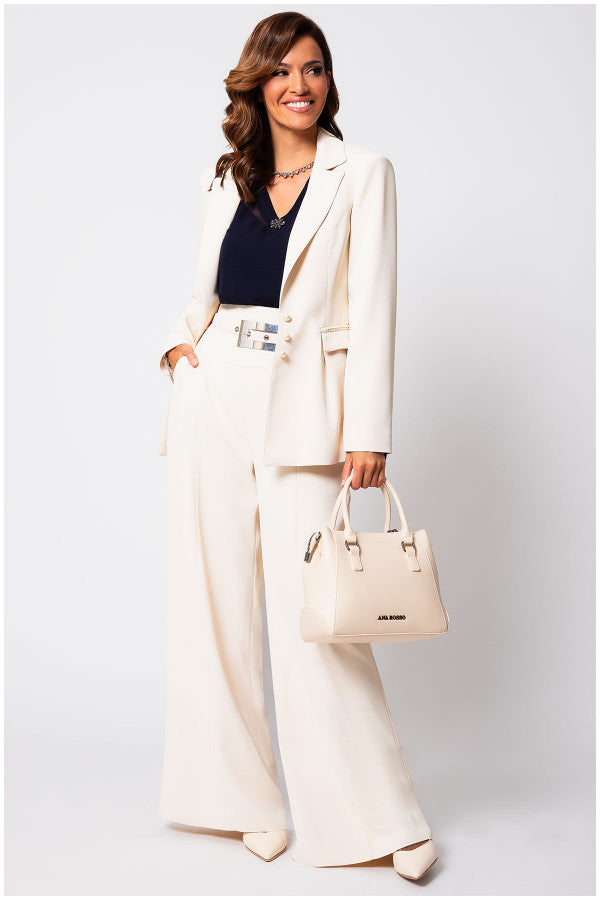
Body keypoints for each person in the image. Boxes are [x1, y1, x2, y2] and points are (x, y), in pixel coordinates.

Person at [156, 11, 438, 882]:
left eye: (313, 69)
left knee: (317, 616)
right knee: (214, 606)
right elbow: (204, 291)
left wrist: (368, 431)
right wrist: (179, 351)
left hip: (307, 401)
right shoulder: (227, 176)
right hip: (215, 394)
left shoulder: (364, 173)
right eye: (281, 71)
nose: (299, 85)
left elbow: (375, 303)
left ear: (328, 81)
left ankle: (378, 818)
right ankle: (241, 802)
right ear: (258, 83)